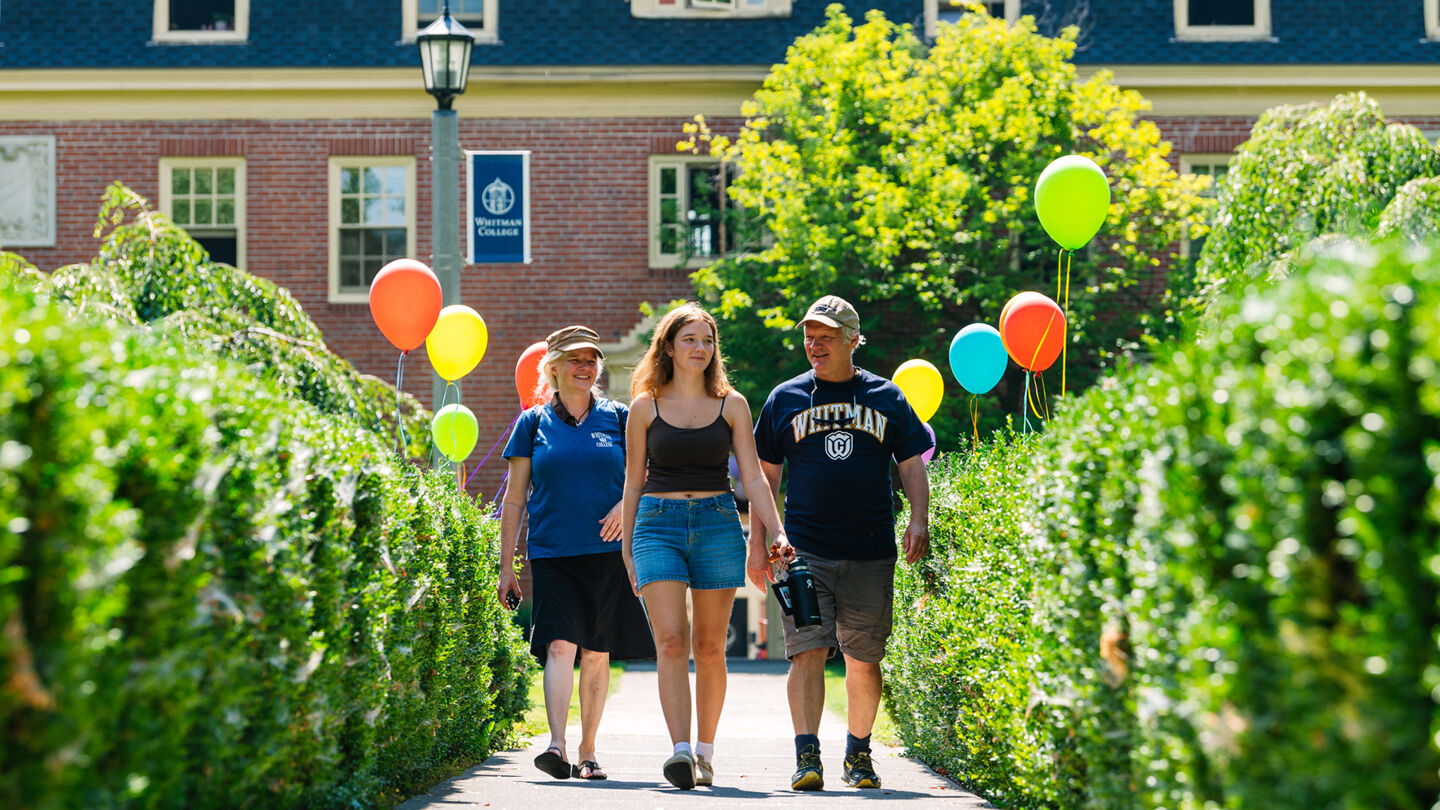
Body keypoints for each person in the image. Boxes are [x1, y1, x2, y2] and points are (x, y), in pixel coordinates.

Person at [751, 294, 932, 792]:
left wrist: (918, 517)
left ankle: (858, 752)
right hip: (802, 552)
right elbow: (764, 477)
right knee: (806, 651)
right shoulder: (785, 398)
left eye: (825, 336)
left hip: (872, 550)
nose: (814, 344)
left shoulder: (887, 397)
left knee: (863, 658)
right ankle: (807, 756)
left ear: (853, 339)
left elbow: (911, 463)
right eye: (809, 336)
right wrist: (757, 541)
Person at [621, 303, 789, 791]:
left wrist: (777, 530)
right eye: (690, 339)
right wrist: (628, 548)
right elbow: (633, 483)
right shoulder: (644, 406)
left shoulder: (731, 404)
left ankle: (705, 753)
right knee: (670, 641)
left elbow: (754, 477)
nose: (700, 348)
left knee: (710, 647)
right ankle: (678, 753)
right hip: (657, 524)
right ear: (668, 347)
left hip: (717, 523)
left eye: (708, 340)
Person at [498, 325, 655, 783]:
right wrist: (506, 566)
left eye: (591, 360)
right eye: (574, 360)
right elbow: (514, 498)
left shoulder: (619, 418)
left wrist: (624, 508)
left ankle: (588, 750)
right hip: (552, 553)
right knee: (560, 645)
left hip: (606, 553)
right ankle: (556, 745)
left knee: (597, 651)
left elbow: (642, 474)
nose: (584, 367)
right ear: (553, 368)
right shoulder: (532, 424)